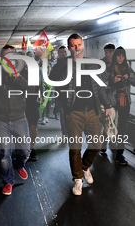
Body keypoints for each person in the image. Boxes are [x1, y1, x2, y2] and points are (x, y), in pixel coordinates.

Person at [49, 33, 112, 196]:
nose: (76, 48)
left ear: (82, 45)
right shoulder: (62, 64)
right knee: (75, 148)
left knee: (96, 145)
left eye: (79, 45)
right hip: (72, 112)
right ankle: (77, 179)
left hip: (92, 111)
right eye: (73, 45)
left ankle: (84, 167)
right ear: (69, 48)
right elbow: (52, 80)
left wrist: (107, 105)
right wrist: (64, 65)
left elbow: (100, 87)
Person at [0, 47, 31, 195]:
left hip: (19, 117)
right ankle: (8, 181)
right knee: (4, 155)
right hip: (1, 119)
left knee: (25, 150)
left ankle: (19, 164)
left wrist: (16, 76)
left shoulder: (22, 70)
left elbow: (29, 88)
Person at [104, 46, 135, 165]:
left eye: (122, 55)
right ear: (115, 56)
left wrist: (129, 77)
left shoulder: (128, 69)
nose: (120, 58)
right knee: (109, 126)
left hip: (124, 102)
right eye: (118, 55)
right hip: (111, 101)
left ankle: (119, 154)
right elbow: (102, 85)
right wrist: (113, 82)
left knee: (123, 128)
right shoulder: (108, 69)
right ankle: (103, 145)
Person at [25, 51, 42, 161]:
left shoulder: (38, 70)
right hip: (23, 101)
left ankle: (31, 147)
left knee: (33, 125)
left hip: (34, 101)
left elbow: (41, 83)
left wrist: (42, 95)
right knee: (22, 125)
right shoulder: (21, 70)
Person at [100, 43, 116, 154]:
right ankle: (106, 144)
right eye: (106, 52)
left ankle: (107, 143)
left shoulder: (118, 64)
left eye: (110, 52)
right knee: (106, 121)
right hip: (103, 98)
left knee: (112, 122)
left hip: (115, 98)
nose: (108, 54)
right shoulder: (100, 64)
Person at [53, 46, 68, 139]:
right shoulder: (56, 66)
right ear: (59, 54)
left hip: (71, 94)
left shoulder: (72, 65)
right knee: (63, 115)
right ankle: (65, 133)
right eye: (62, 52)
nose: (64, 54)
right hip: (61, 95)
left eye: (65, 52)